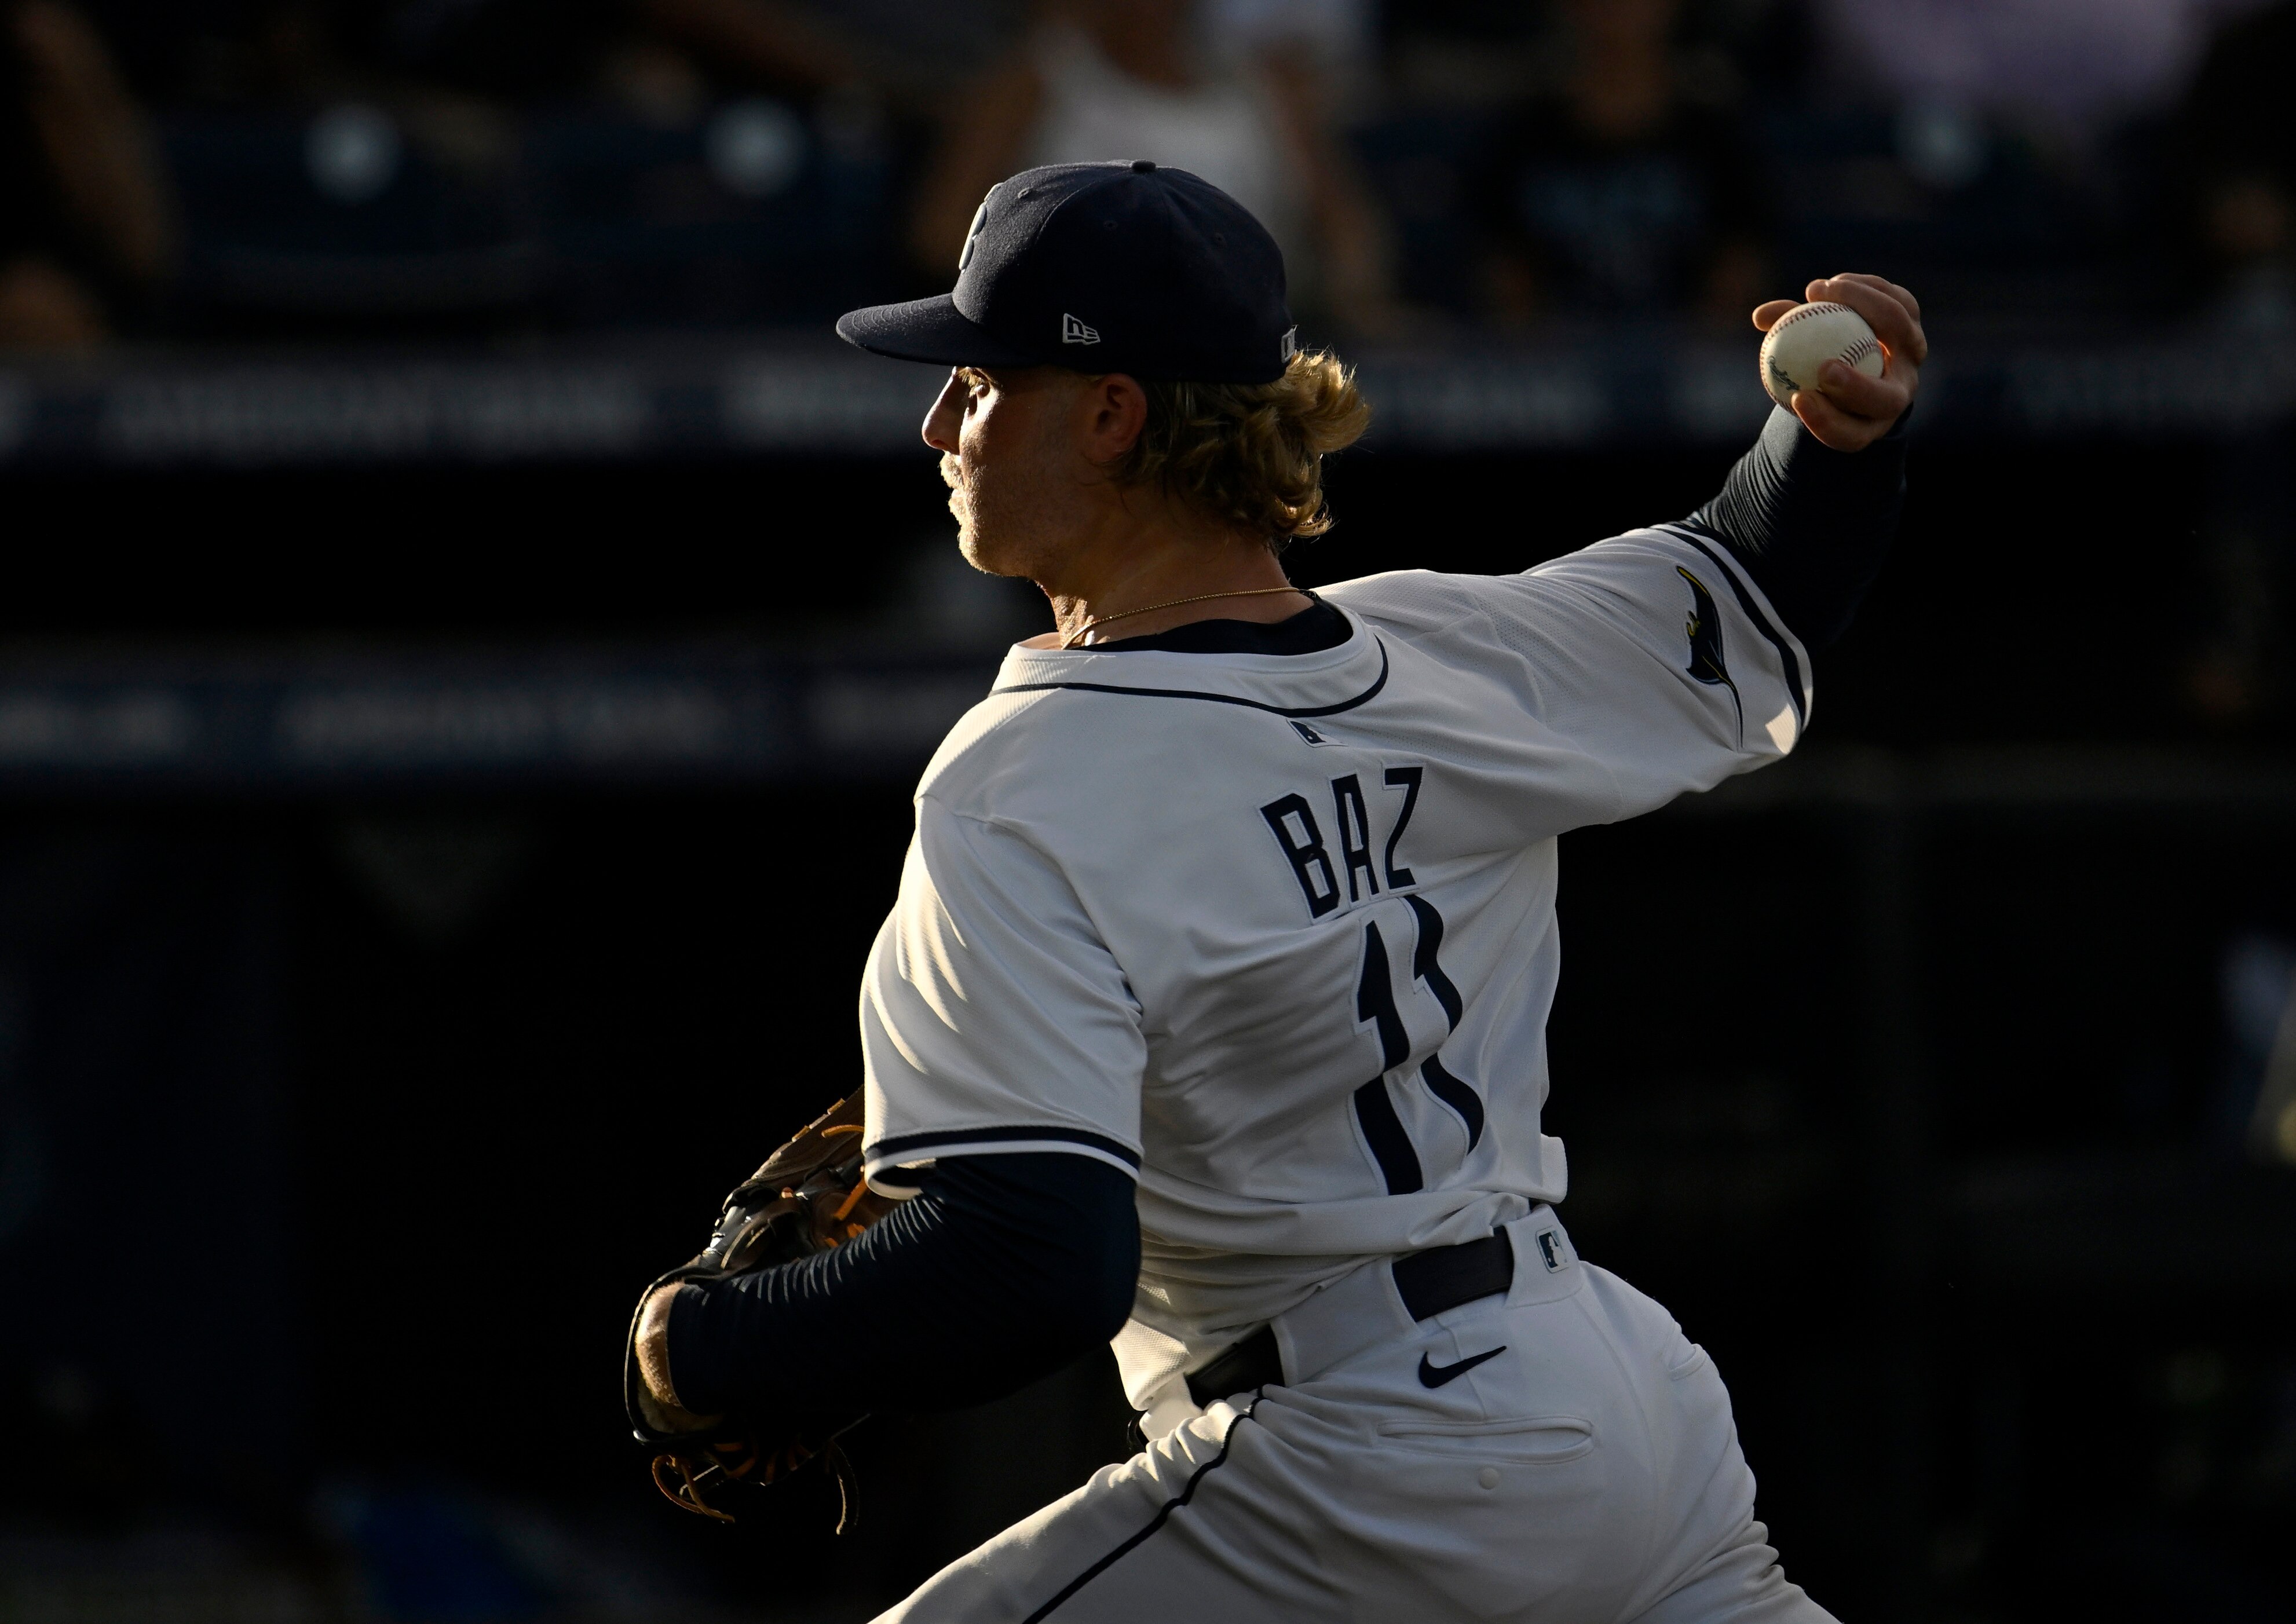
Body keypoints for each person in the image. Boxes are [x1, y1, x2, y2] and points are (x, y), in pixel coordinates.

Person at [634, 158, 1921, 1620]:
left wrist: (705, 1347)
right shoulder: (1448, 646)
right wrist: (1834, 437)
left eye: (980, 382)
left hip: (1369, 1458)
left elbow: (1030, 1261)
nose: (938, 423)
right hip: (1622, 1404)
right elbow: (1756, 583)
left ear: (1109, 413)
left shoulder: (1022, 777)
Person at [909, 0, 1398, 333]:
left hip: (1246, 350)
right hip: (1081, 347)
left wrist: (1357, 299)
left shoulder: (1264, 85)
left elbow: (1347, 227)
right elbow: (942, 236)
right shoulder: (1036, 79)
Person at [1473, 0, 1769, 324]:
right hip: (1552, 361)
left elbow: (1739, 275)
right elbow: (1504, 281)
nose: (1618, 10)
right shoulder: (1520, 139)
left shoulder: (1718, 140)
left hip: (1687, 358)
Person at [0, 0, 171, 348]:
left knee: (45, 315)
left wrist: (69, 86)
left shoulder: (42, 45)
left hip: (63, 314)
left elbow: (145, 252)